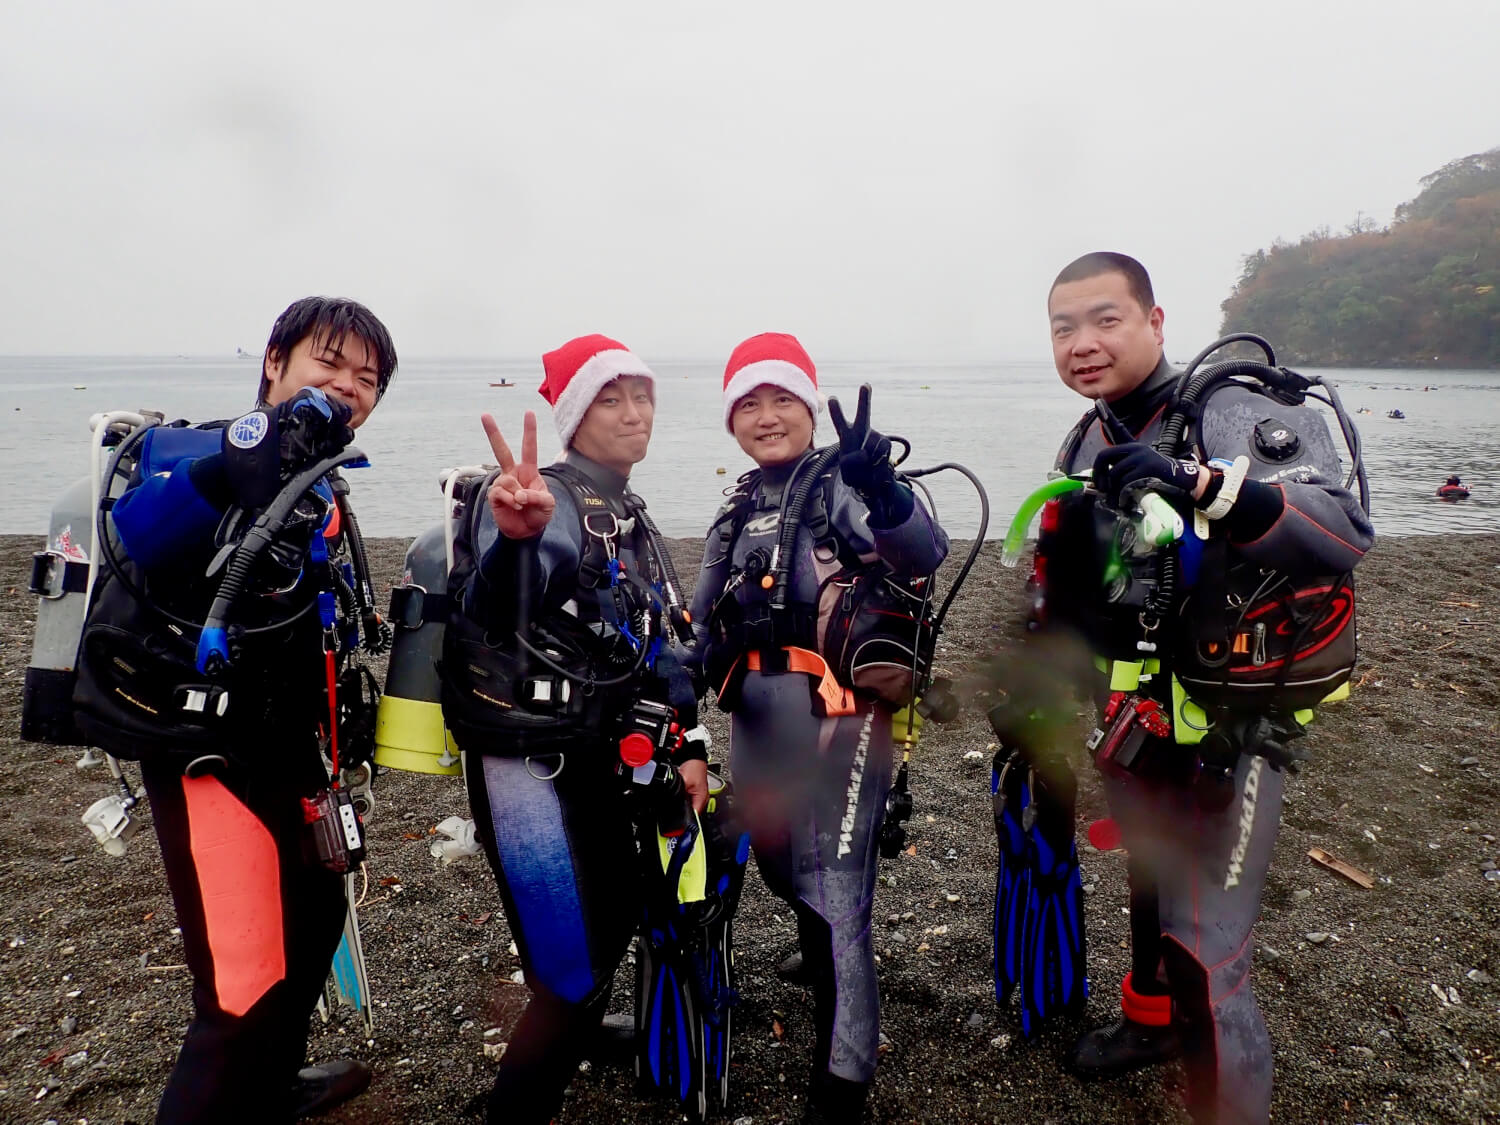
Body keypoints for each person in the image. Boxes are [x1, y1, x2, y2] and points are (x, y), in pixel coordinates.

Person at [1017, 253, 1373, 1124]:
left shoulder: (1231, 408)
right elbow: (1071, 578)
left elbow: (1345, 528)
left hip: (1233, 723)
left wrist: (1198, 482)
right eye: (1064, 329)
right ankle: (1150, 1023)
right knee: (1147, 873)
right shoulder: (1087, 439)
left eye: (1105, 320)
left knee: (1206, 946)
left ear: (1156, 321)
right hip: (1133, 707)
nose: (1083, 344)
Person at [70, 297, 398, 1123]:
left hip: (294, 743)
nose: (348, 389)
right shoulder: (204, 452)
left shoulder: (321, 489)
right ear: (274, 363)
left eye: (367, 379)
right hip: (204, 746)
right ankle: (236, 1084)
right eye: (329, 364)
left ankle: (271, 1087)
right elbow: (136, 534)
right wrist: (229, 464)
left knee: (319, 913)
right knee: (241, 990)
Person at [441, 335, 709, 1124]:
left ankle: (575, 1022)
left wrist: (689, 743)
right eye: (609, 399)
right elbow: (504, 598)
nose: (634, 414)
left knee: (615, 910)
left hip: (596, 754)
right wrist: (519, 542)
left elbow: (661, 639)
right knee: (569, 974)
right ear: (571, 415)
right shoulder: (551, 503)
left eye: (642, 395)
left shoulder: (624, 508)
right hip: (533, 765)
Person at [689, 333, 949, 1124]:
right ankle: (818, 952)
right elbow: (696, 624)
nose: (767, 417)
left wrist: (889, 491)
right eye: (749, 403)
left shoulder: (846, 485)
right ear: (732, 418)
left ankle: (842, 1086)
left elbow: (924, 552)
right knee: (778, 864)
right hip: (758, 722)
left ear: (809, 406)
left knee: (838, 898)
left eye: (783, 400)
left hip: (839, 720)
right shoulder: (738, 506)